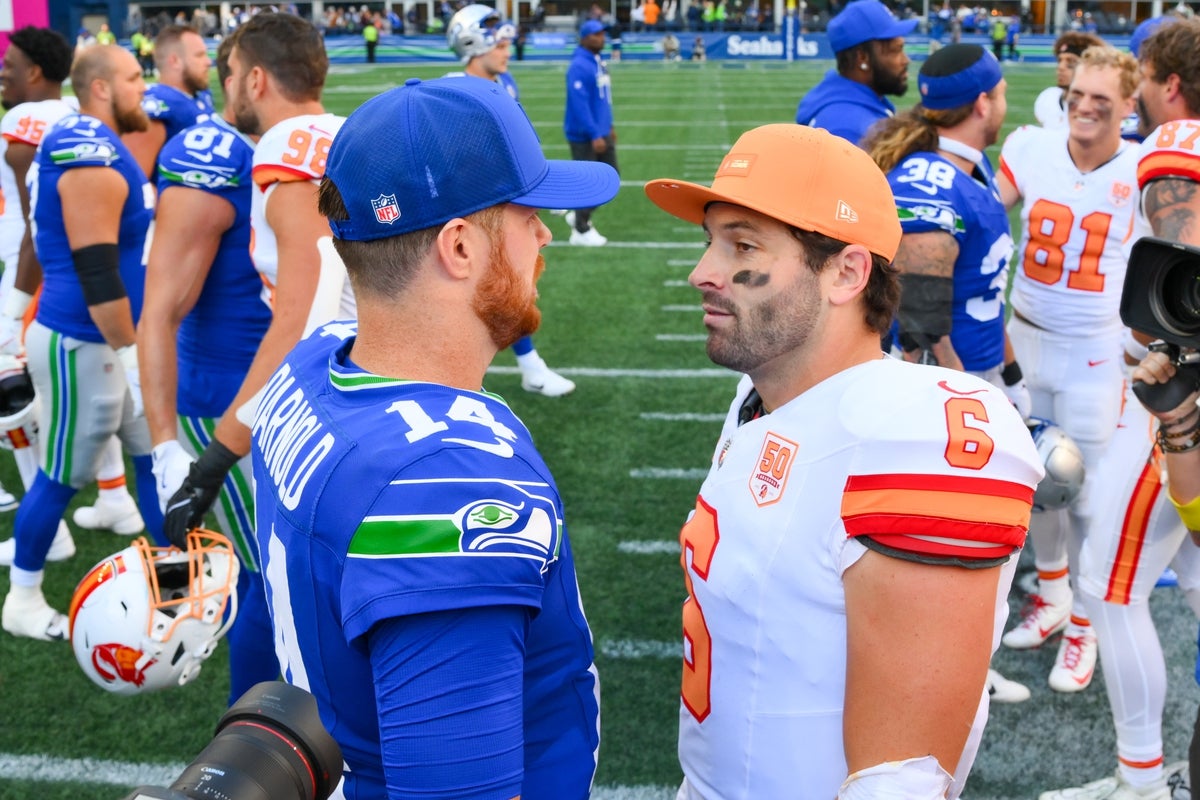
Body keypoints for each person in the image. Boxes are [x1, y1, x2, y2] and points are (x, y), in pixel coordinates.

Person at [643, 122, 1042, 800]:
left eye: (742, 244)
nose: (702, 272)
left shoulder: (912, 435)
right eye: (709, 241)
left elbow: (901, 782)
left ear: (848, 272)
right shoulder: (761, 393)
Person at [252, 75, 618, 799]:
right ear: (459, 246)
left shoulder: (313, 366)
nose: (544, 234)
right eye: (525, 214)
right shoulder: (445, 482)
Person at [1041, 18, 1200, 800]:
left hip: (1178, 399)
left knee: (1108, 586)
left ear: (1168, 83)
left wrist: (1176, 388)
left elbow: (1184, 300)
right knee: (1198, 578)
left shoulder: (1176, 147)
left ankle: (1140, 780)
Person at [156, 12, 349, 547]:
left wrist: (215, 459)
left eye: (233, 73)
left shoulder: (285, 146)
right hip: (372, 372)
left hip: (334, 391)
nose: (228, 87)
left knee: (279, 581)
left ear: (257, 79)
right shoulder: (345, 132)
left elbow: (307, 318)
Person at [1, 44, 165, 641]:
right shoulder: (86, 148)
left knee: (151, 458)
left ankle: (171, 583)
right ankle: (22, 599)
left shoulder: (98, 142)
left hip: (110, 341)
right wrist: (133, 357)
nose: (141, 86)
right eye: (130, 76)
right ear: (100, 88)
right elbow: (97, 272)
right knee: (59, 476)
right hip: (85, 343)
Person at [994, 45, 1140, 695]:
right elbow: (982, 212)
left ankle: (1085, 620)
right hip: (1025, 338)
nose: (1083, 107)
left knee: (1087, 498)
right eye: (1078, 94)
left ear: (1127, 108)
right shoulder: (1031, 146)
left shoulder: (1142, 171)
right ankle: (1051, 594)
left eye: (1101, 100)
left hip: (1093, 355)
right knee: (1034, 479)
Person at [136, 36, 277, 706]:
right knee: (272, 579)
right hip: (226, 398)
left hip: (280, 394)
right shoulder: (209, 153)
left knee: (269, 576)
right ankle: (252, 741)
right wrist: (165, 444)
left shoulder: (293, 143)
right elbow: (158, 310)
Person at [445, 4, 580, 397]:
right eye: (500, 43)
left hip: (500, 200)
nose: (507, 50)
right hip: (469, 207)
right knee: (479, 293)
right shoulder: (456, 93)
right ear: (473, 43)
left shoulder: (504, 83)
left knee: (509, 286)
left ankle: (528, 366)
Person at [0, 26, 79, 564]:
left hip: (31, 275)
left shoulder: (23, 122)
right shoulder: (76, 113)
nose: (3, 70)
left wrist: (13, 305)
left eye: (11, 62)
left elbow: (35, 224)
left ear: (35, 71)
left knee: (17, 399)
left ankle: (47, 529)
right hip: (69, 275)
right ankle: (112, 496)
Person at [794, 0, 918, 147]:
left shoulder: (857, 106)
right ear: (862, 58)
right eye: (895, 50)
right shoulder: (847, 128)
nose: (905, 60)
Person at [122, 24, 215, 181]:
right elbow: (136, 182)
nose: (208, 62)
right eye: (199, 55)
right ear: (175, 61)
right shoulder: (158, 105)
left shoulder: (200, 96)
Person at [563, 19, 617, 247]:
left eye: (602, 34)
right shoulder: (579, 65)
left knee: (612, 177)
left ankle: (577, 214)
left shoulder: (597, 61)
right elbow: (580, 104)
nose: (601, 38)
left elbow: (603, 99)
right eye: (595, 35)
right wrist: (595, 133)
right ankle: (581, 229)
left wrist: (609, 126)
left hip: (601, 130)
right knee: (590, 184)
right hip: (586, 135)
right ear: (584, 38)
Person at [1033, 32, 1105, 129]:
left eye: (1070, 62)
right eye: (1059, 61)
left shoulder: (1102, 106)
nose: (1061, 67)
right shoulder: (1048, 99)